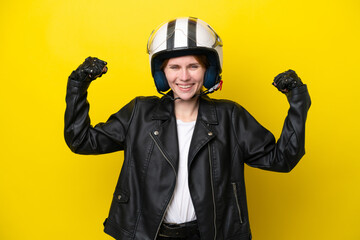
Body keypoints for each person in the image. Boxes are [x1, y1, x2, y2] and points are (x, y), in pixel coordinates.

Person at [64, 17, 311, 240]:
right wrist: (78, 85)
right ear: (162, 73)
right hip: (146, 235)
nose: (184, 77)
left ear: (208, 71)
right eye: (174, 67)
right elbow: (81, 141)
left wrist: (297, 101)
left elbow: (282, 159)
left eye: (193, 66)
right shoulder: (139, 113)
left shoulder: (230, 117)